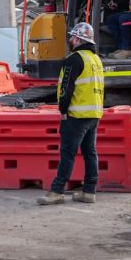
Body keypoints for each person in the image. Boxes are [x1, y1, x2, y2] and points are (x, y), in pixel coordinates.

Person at [38, 21, 105, 205]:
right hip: (94, 113)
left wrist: (62, 110)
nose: (69, 40)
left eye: (71, 37)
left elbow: (66, 88)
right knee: (90, 152)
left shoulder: (74, 59)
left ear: (77, 39)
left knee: (67, 153)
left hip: (76, 115)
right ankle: (89, 191)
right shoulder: (96, 60)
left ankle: (57, 191)